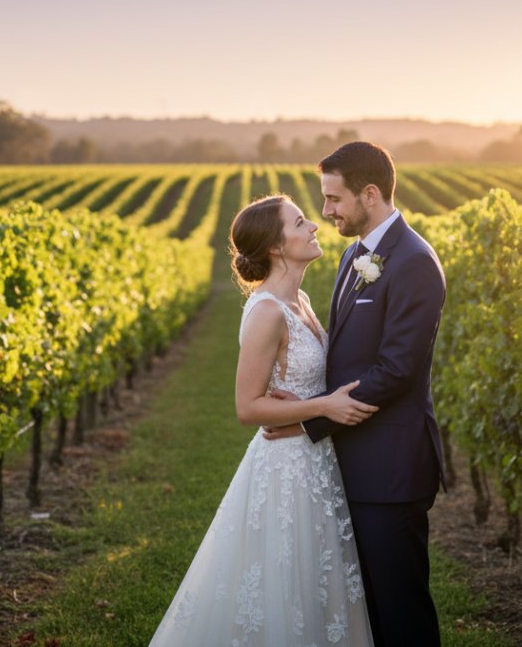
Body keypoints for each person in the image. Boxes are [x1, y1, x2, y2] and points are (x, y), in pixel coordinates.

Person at [149, 193, 376, 646]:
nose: (313, 226)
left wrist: (316, 407)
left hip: (313, 457)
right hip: (286, 466)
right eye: (298, 223)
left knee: (319, 580)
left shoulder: (302, 301)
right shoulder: (268, 311)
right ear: (275, 246)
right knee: (284, 583)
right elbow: (247, 407)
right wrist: (323, 406)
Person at [265, 141, 447, 646]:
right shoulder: (354, 254)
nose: (325, 213)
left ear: (370, 193)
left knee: (400, 610)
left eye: (333, 199)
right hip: (352, 461)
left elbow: (397, 370)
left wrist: (310, 420)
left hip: (390, 468)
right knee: (365, 608)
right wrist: (304, 401)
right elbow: (345, 354)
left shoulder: (413, 261)